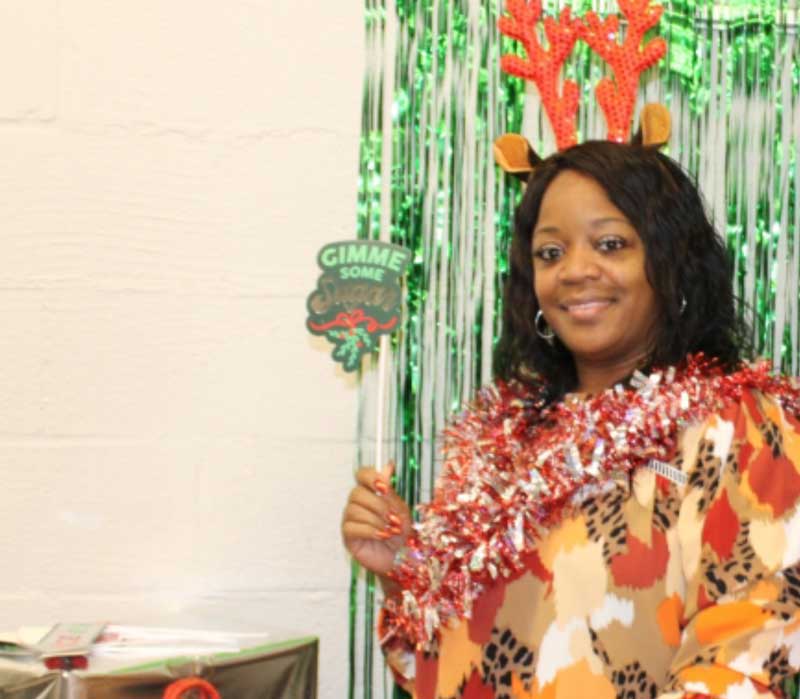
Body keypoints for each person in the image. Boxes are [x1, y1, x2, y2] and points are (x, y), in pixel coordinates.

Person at [341, 141, 800, 699]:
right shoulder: (503, 441)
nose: (576, 271)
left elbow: (742, 662)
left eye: (610, 244)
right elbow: (446, 673)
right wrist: (405, 573)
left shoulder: (738, 426)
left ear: (671, 261)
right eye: (550, 253)